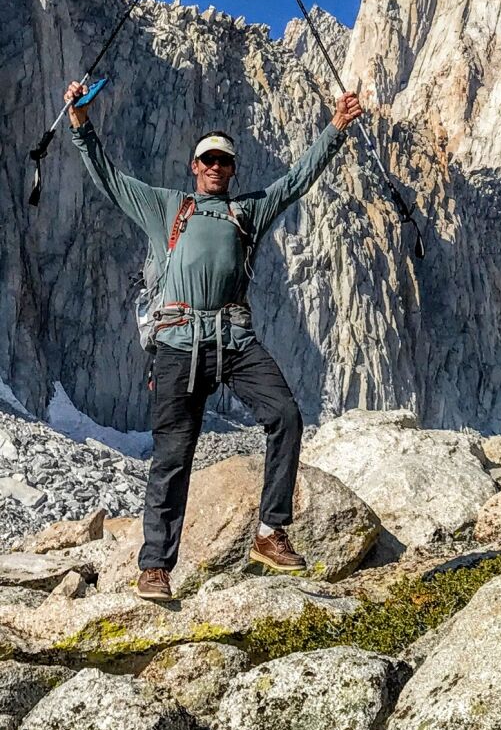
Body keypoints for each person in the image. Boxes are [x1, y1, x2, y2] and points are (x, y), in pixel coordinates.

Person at [65, 80, 363, 601]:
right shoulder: (166, 207)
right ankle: (155, 567)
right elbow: (109, 178)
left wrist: (336, 127)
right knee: (173, 455)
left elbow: (295, 181)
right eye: (208, 160)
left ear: (232, 170)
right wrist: (79, 123)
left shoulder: (246, 211)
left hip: (236, 339)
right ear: (194, 166)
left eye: (224, 162)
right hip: (178, 344)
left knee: (286, 416)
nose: (216, 168)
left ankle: (271, 532)